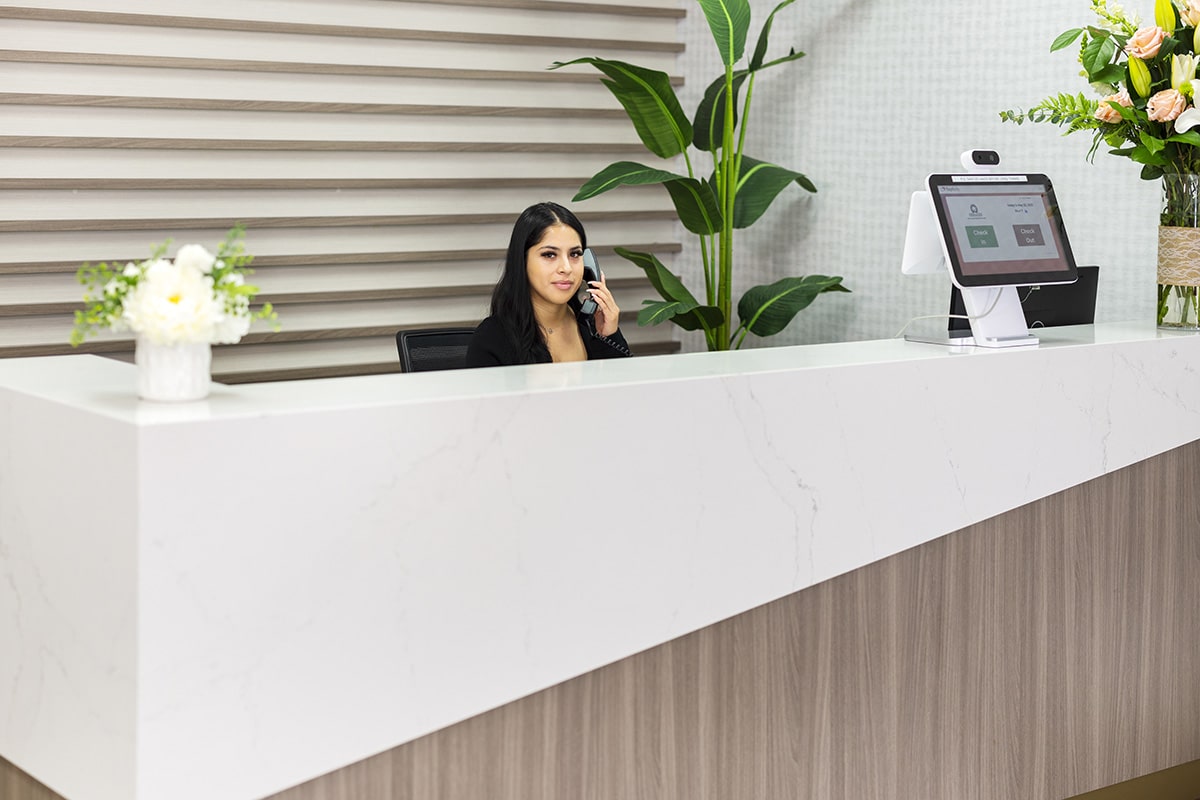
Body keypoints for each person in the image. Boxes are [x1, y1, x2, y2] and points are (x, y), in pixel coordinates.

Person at [466, 202, 632, 367]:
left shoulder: (591, 325)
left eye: (575, 254)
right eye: (550, 255)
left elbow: (626, 391)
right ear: (522, 261)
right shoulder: (492, 338)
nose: (566, 268)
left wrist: (610, 336)